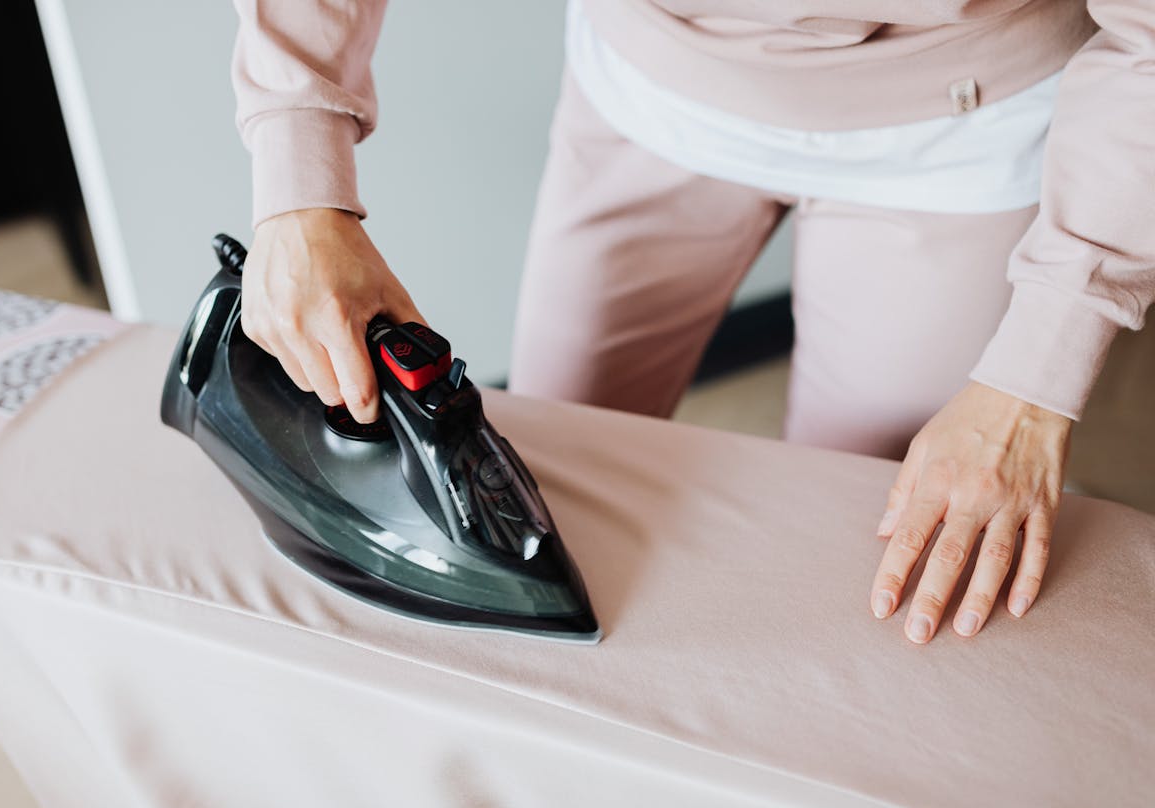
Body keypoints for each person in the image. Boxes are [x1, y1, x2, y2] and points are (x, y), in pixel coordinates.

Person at [228, 1, 1154, 644]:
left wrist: (1037, 371)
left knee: (859, 547)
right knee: (548, 463)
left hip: (958, 120)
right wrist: (300, 176)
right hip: (648, 82)